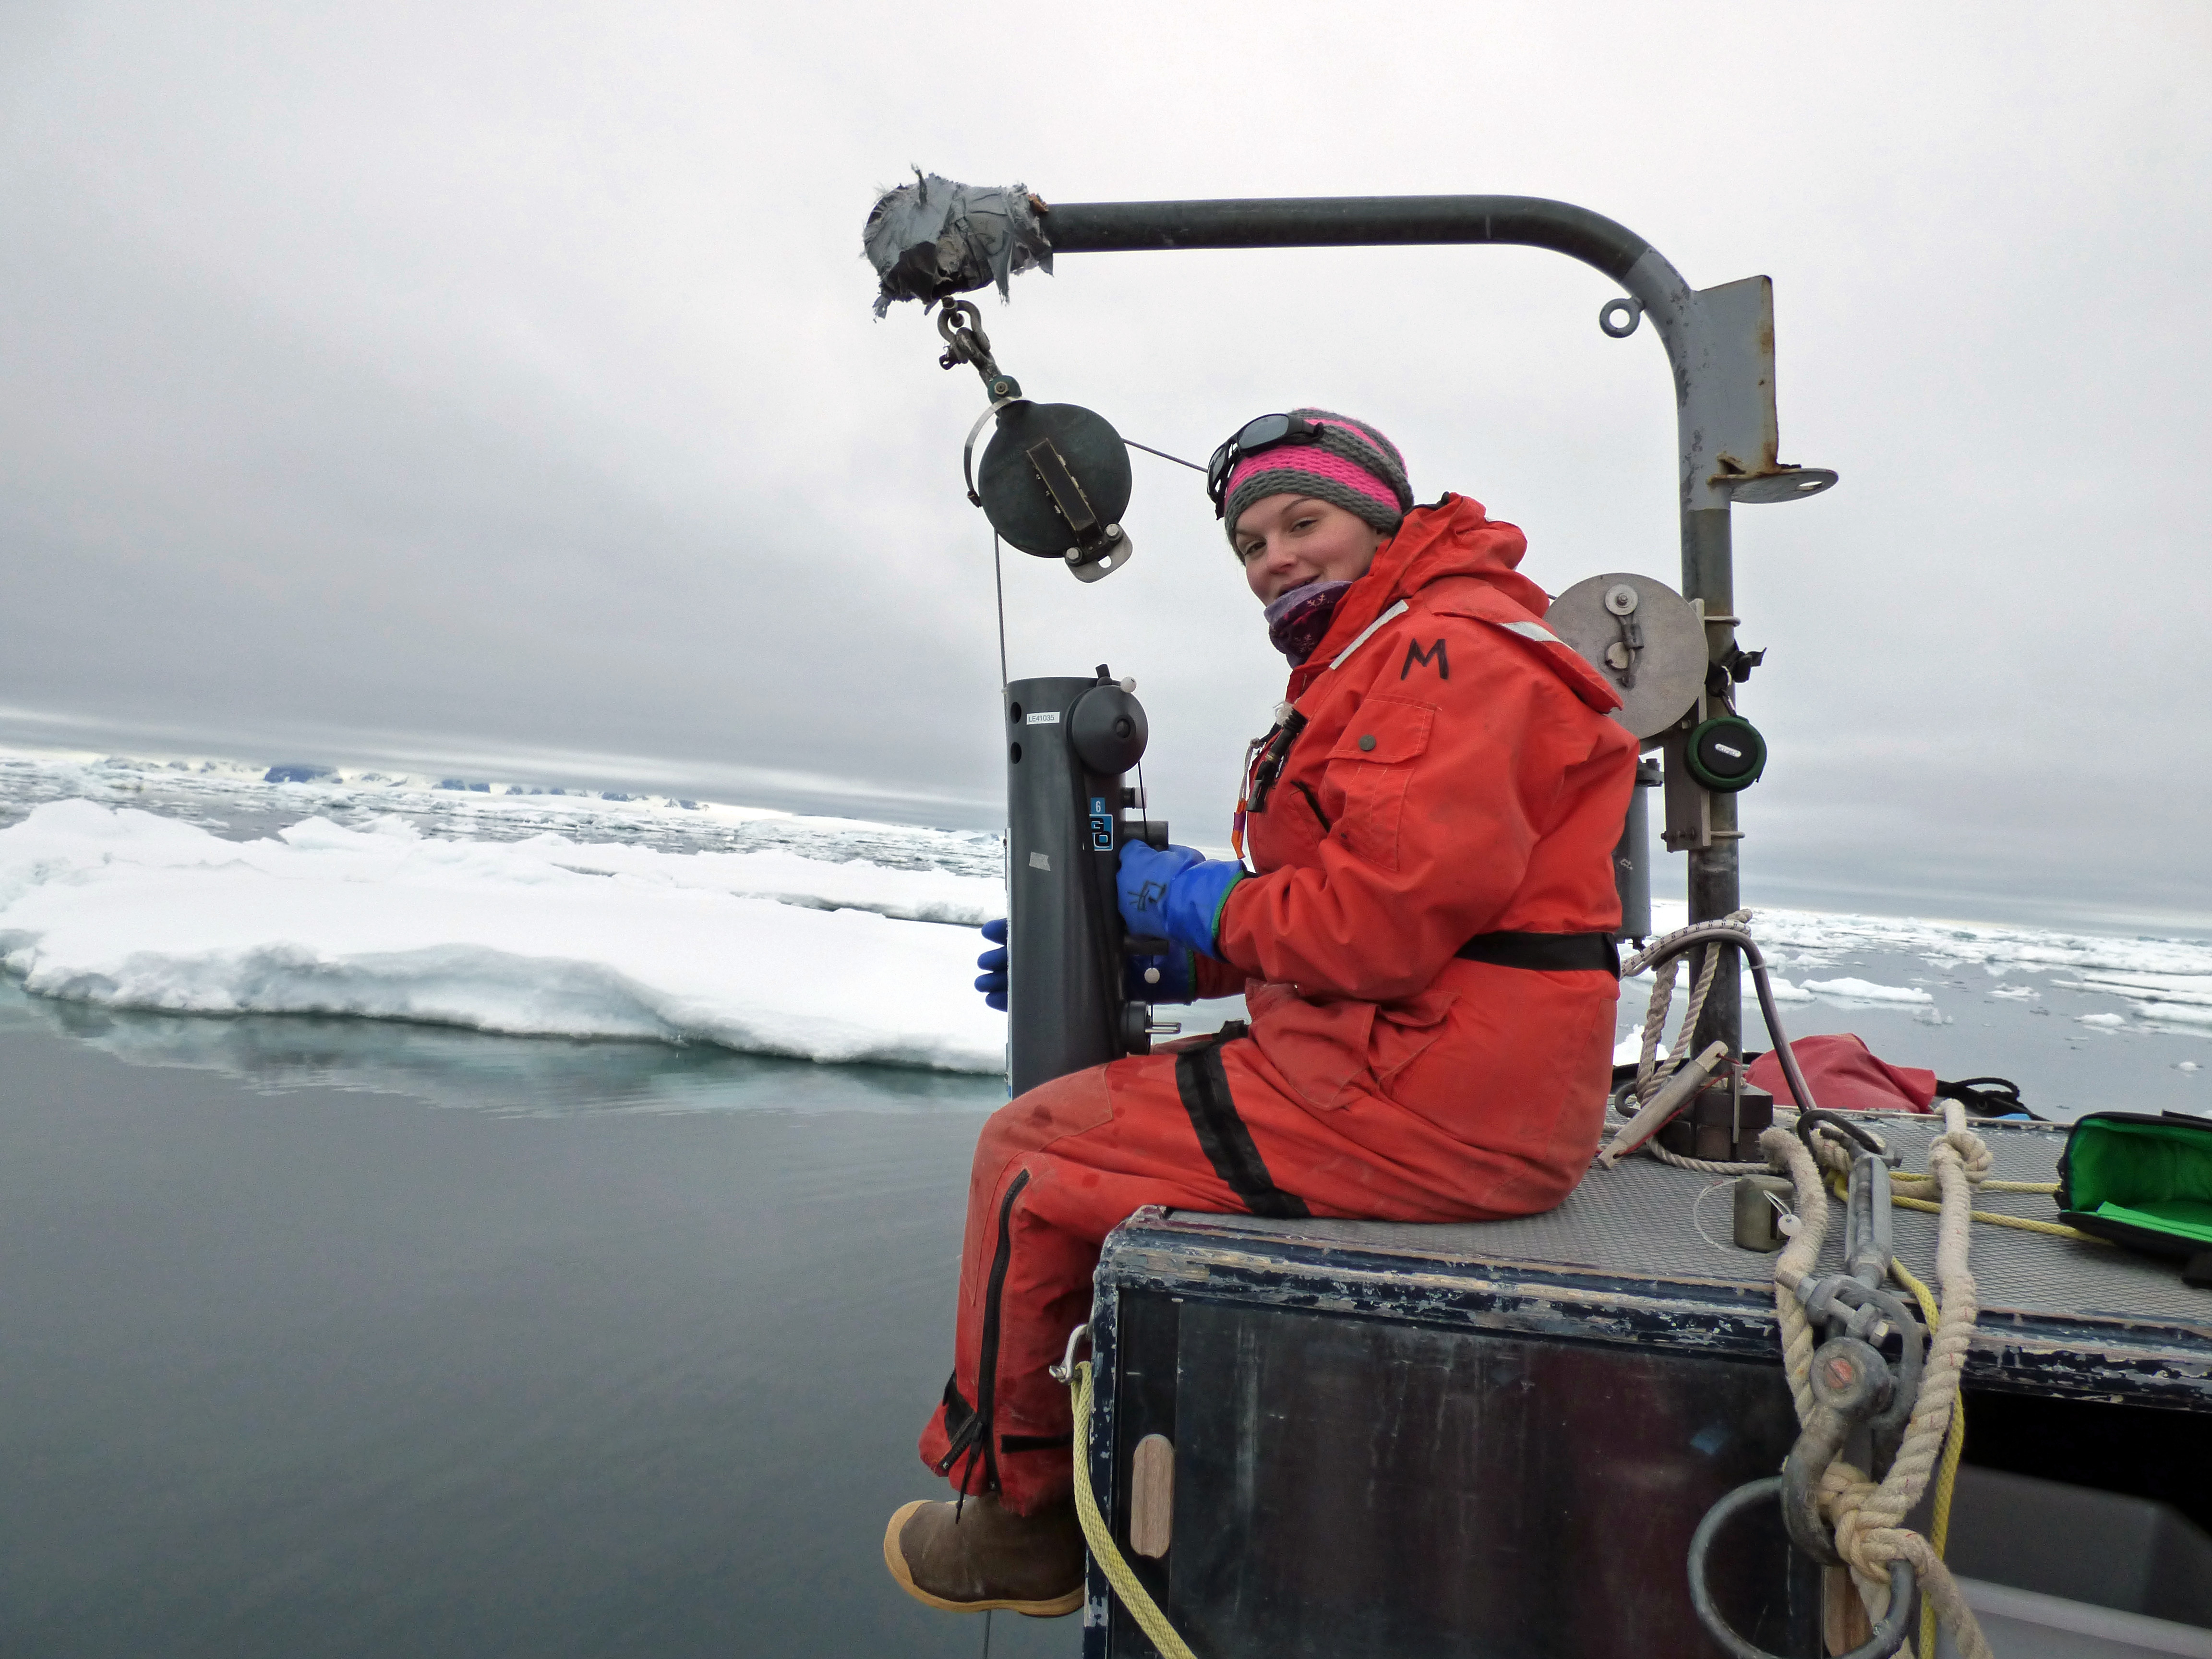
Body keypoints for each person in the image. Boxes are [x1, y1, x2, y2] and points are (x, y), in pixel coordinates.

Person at [883, 409, 1637, 1616]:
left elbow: (1378, 928)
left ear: (1379, 520)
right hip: (1421, 1062)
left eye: (1304, 522)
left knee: (1030, 1153)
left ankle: (1017, 1520)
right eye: (1250, 541)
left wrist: (1190, 900)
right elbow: (1419, 924)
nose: (1275, 558)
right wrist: (1175, 969)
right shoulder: (1395, 650)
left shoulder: (1440, 657)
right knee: (1092, 1122)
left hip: (1427, 1102)